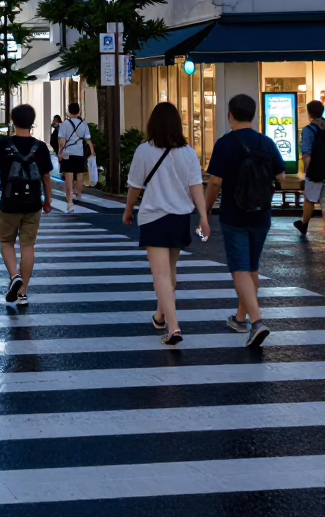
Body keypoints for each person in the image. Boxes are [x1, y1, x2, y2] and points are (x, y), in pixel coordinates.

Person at [124, 101, 210, 347]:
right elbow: (196, 187)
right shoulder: (188, 152)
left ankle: (173, 327)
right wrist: (203, 217)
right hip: (180, 218)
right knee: (170, 272)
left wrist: (128, 211)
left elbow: (134, 186)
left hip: (154, 217)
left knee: (160, 274)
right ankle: (160, 315)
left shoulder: (144, 151)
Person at [205, 93, 285, 348]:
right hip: (262, 214)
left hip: (234, 213)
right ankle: (240, 318)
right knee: (252, 267)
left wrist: (204, 209)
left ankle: (257, 321)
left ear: (230, 114)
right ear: (254, 114)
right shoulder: (266, 142)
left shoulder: (225, 143)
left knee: (239, 268)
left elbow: (215, 181)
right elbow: (281, 175)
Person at [0, 103, 53, 304]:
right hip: (33, 202)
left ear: (13, 121)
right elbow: (46, 176)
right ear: (32, 122)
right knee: (28, 246)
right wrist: (48, 200)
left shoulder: (4, 144)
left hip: (9, 202)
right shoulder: (41, 147)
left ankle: (14, 276)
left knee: (6, 242)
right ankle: (23, 292)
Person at [294, 99, 325, 240]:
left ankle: (304, 224)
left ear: (309, 113)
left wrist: (307, 171)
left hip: (316, 171)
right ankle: (303, 224)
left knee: (309, 199)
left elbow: (306, 153)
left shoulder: (309, 129)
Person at [57, 102, 96, 212]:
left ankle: (70, 202)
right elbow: (88, 139)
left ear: (68, 111)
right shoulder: (83, 124)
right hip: (79, 152)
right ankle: (79, 194)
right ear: (79, 111)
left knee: (68, 177)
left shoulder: (64, 124)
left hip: (67, 153)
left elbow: (61, 140)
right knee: (80, 174)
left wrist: (60, 152)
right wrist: (92, 151)